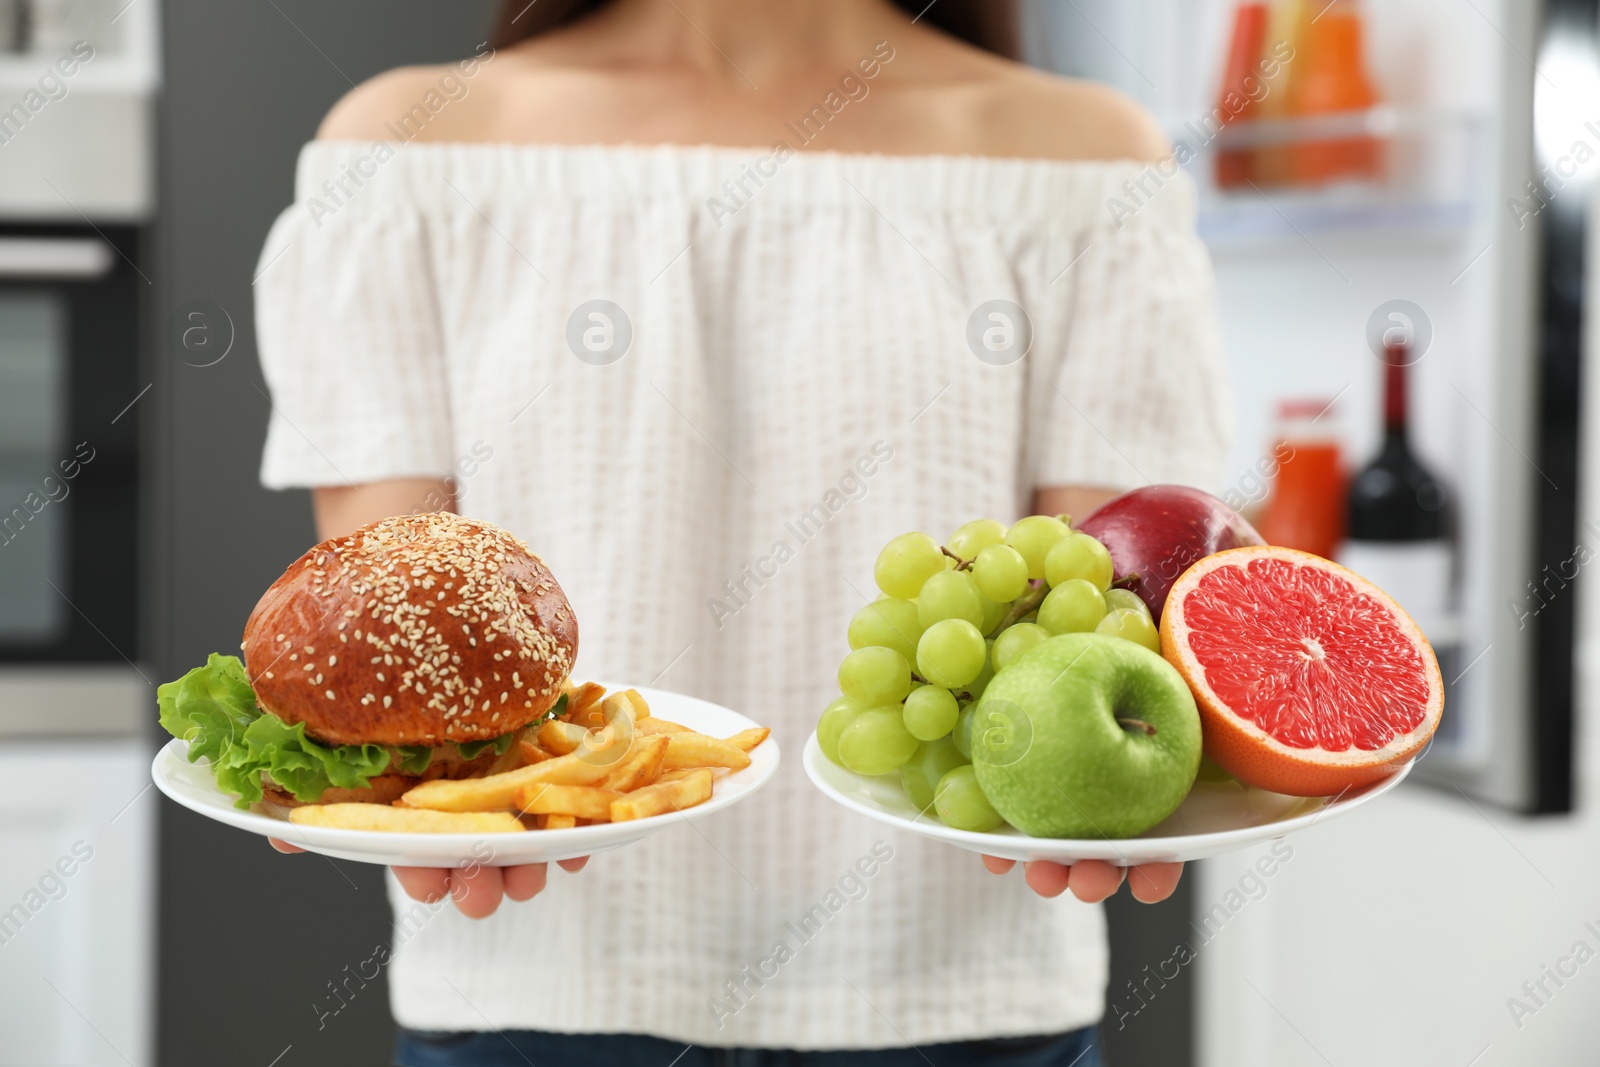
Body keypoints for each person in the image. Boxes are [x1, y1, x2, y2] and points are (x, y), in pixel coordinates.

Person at [257, 0, 1232, 1063]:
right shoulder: (405, 153)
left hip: (960, 986)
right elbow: (385, 604)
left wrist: (1127, 775)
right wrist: (373, 783)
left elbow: (1101, 600)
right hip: (537, 988)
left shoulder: (1090, 165)